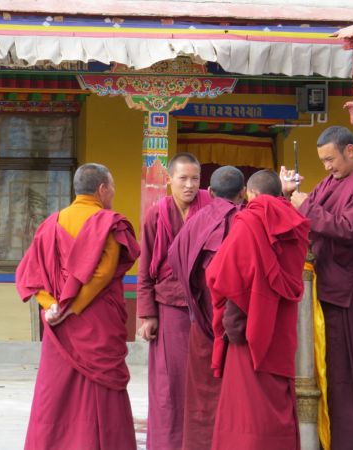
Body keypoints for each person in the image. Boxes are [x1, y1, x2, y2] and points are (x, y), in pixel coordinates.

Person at [281, 126, 353, 450]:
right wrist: (288, 194)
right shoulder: (333, 182)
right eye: (322, 161)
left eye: (330, 159)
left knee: (344, 380)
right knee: (322, 375)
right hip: (322, 288)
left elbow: (349, 229)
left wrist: (306, 207)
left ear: (349, 151)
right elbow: (306, 210)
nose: (327, 166)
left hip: (345, 294)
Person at [15, 163, 140, 450]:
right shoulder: (109, 222)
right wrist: (75, 306)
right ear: (102, 190)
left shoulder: (50, 224)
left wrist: (52, 306)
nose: (113, 194)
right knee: (102, 387)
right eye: (113, 189)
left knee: (56, 390)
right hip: (94, 319)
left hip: (58, 323)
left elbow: (30, 274)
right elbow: (103, 272)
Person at [206, 169, 310, 450]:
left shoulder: (249, 221)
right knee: (277, 399)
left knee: (245, 409)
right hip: (281, 329)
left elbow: (220, 275)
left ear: (250, 194)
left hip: (247, 329)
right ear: (278, 193)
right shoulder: (297, 225)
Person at [137, 152, 212, 450]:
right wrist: (147, 314)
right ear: (169, 181)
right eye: (183, 178)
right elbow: (145, 269)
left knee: (202, 378)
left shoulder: (210, 209)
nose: (190, 185)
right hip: (169, 308)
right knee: (169, 383)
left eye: (195, 178)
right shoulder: (156, 215)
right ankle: (168, 443)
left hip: (204, 306)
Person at [168, 165, 246, 450]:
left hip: (201, 319)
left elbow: (175, 258)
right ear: (243, 192)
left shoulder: (196, 219)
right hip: (233, 325)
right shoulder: (244, 221)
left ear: (210, 192)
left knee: (201, 394)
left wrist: (195, 300)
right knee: (233, 393)